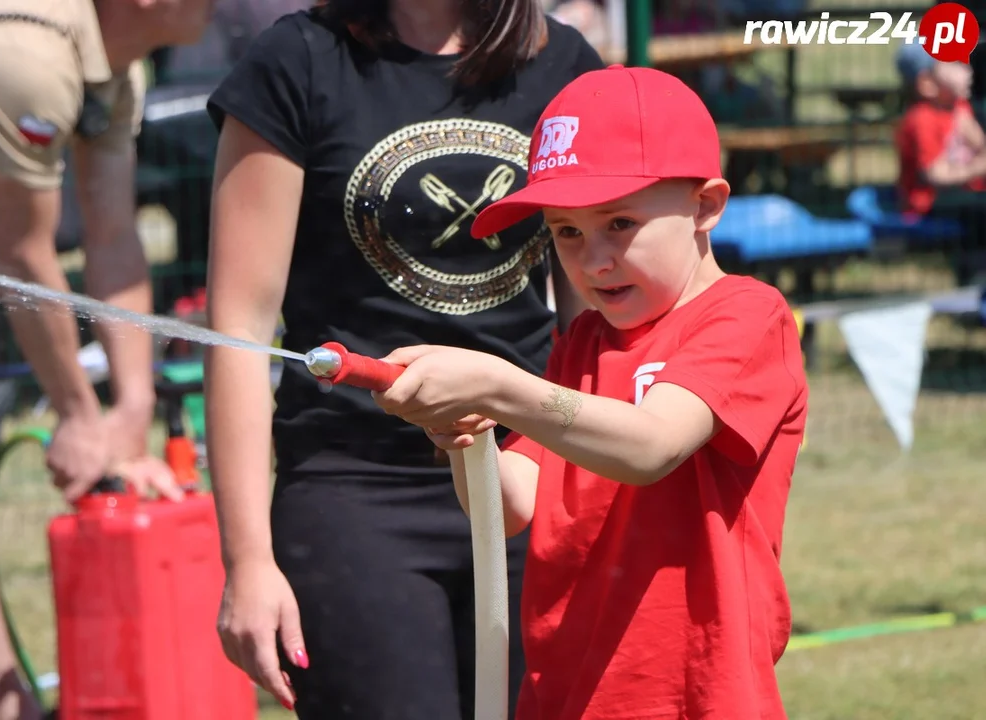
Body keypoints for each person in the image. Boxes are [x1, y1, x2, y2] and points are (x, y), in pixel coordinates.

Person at [203, 1, 603, 717]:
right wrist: (248, 561)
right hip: (355, 493)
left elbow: (595, 325)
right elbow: (238, 330)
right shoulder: (297, 62)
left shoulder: (563, 67)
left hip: (530, 482)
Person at [373, 65, 809, 719]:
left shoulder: (746, 317)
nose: (592, 259)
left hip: (696, 696)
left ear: (706, 205)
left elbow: (652, 445)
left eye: (620, 223)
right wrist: (467, 433)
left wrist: (497, 385)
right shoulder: (583, 343)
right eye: (566, 231)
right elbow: (511, 506)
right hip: (569, 695)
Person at [0, 0, 215, 717]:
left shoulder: (110, 68)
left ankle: (15, 712)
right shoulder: (32, 58)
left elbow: (113, 242)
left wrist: (129, 411)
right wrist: (79, 414)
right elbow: (24, 256)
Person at [894, 41, 986, 283]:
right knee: (979, 214)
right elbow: (935, 175)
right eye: (956, 65)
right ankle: (974, 283)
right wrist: (978, 167)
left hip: (960, 195)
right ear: (927, 83)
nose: (968, 71)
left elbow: (980, 144)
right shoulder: (921, 119)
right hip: (927, 203)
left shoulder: (958, 108)